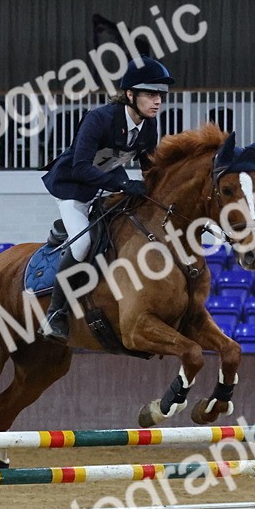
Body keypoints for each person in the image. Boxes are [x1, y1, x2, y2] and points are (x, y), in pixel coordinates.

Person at [39, 55, 174, 342]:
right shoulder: (99, 119)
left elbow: (149, 168)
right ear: (130, 95)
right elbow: (80, 167)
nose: (158, 101)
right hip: (73, 189)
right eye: (151, 94)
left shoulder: (148, 126)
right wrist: (123, 183)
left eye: (160, 95)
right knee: (83, 243)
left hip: (105, 186)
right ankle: (55, 312)